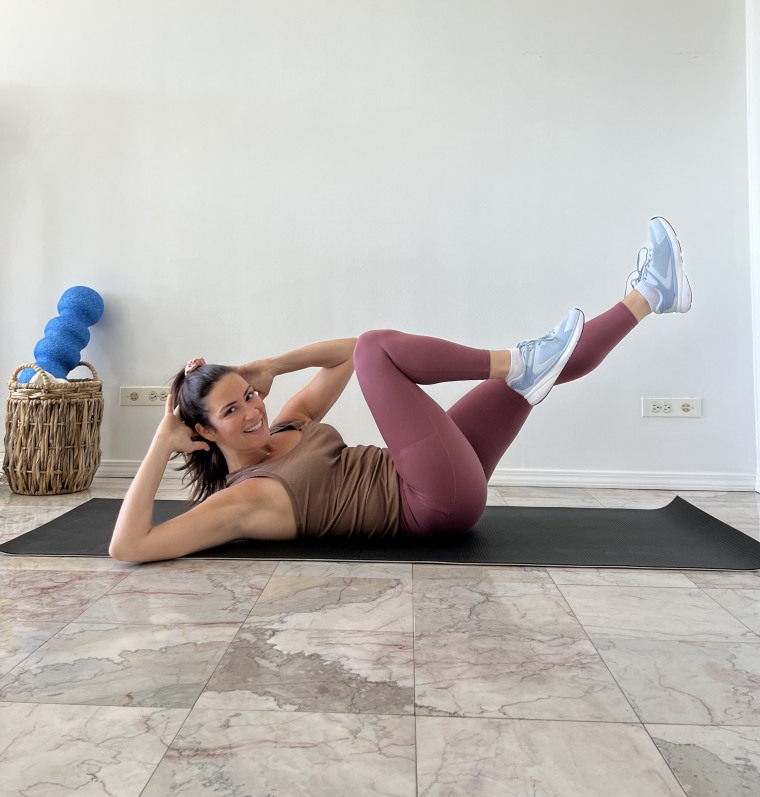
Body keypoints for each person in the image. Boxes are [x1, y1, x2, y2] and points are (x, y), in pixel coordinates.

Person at [109, 216, 691, 564]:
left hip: (434, 477)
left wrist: (273, 364)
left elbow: (343, 355)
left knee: (534, 373)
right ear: (203, 432)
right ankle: (523, 358)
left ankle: (651, 295)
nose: (254, 411)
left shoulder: (288, 421)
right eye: (232, 410)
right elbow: (128, 547)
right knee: (379, 349)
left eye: (250, 395)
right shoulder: (241, 501)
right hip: (427, 504)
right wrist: (162, 440)